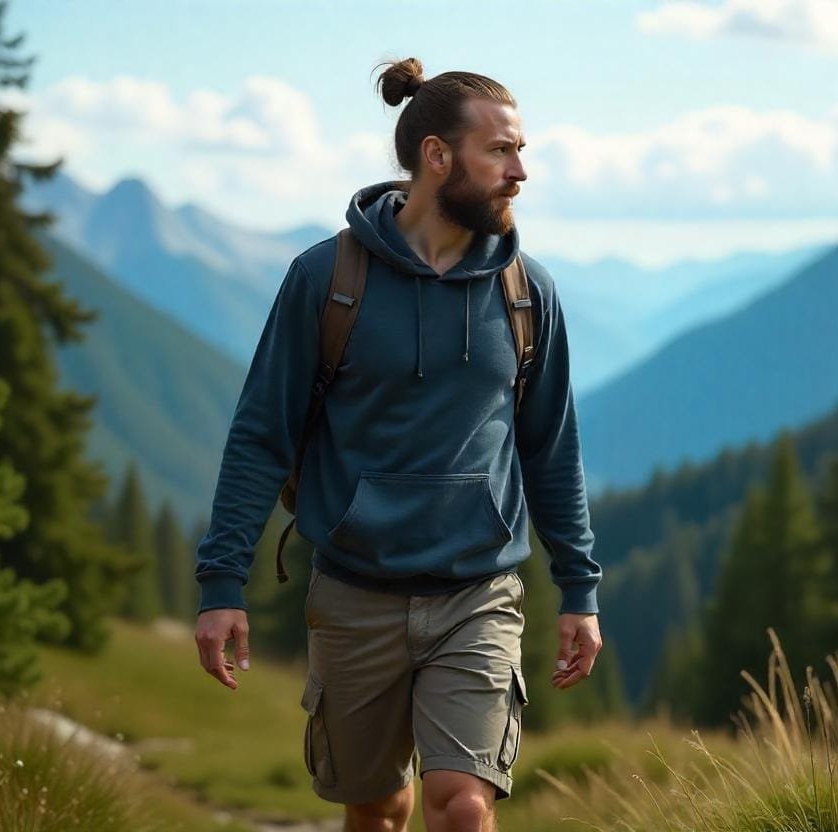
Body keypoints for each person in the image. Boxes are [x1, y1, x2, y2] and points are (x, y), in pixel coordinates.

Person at [192, 56, 604, 832]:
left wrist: (579, 588)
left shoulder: (526, 291)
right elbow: (260, 436)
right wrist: (222, 584)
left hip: (478, 595)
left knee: (461, 806)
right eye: (502, 152)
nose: (520, 172)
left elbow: (552, 447)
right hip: (353, 594)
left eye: (521, 151)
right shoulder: (326, 279)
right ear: (437, 157)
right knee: (378, 810)